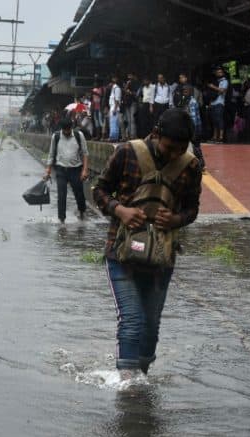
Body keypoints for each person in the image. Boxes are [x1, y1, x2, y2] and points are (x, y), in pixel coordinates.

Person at [93, 108, 202, 380]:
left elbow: (193, 210)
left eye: (181, 149)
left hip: (161, 258)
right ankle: (130, 391)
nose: (175, 154)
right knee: (132, 320)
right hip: (121, 254)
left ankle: (140, 380)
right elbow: (99, 190)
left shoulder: (191, 166)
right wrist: (121, 211)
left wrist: (175, 219)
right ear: (155, 135)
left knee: (151, 325)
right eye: (169, 148)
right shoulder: (126, 152)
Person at [45, 119, 89, 223]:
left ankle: (82, 211)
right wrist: (48, 170)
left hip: (76, 169)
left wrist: (85, 170)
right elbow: (51, 155)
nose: (66, 132)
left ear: (71, 128)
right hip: (61, 170)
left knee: (79, 193)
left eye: (68, 130)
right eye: (64, 130)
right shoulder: (56, 137)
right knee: (61, 194)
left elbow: (85, 153)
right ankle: (62, 219)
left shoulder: (79, 135)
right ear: (61, 129)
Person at [180, 85, 206, 171]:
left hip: (195, 129)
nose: (184, 93)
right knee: (193, 146)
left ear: (190, 92)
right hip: (191, 128)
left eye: (186, 91)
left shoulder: (192, 102)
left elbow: (194, 119)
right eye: (183, 91)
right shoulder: (185, 101)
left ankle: (201, 164)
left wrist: (192, 131)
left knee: (196, 147)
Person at [207, 66, 228, 143]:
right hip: (212, 103)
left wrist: (213, 87)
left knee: (219, 120)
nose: (219, 73)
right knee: (214, 121)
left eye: (220, 72)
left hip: (220, 102)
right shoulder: (215, 81)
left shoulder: (224, 81)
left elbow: (222, 90)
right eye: (218, 72)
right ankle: (215, 137)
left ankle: (221, 137)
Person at [108, 75, 123, 142]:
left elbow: (117, 100)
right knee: (112, 123)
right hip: (112, 108)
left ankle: (114, 137)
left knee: (114, 123)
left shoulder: (117, 89)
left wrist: (115, 108)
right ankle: (112, 137)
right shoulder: (113, 89)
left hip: (115, 108)